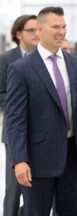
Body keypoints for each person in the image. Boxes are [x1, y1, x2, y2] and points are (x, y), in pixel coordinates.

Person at [5, 7, 77, 216]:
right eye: (55, 27)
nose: (61, 31)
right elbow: (15, 120)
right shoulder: (21, 69)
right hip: (37, 160)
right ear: (39, 30)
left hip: (72, 158)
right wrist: (19, 160)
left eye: (64, 26)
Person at [0, 14, 38, 216]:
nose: (36, 34)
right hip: (15, 132)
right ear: (19, 34)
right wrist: (23, 104)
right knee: (14, 187)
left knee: (37, 186)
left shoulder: (43, 59)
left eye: (38, 29)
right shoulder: (6, 59)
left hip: (40, 133)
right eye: (31, 30)